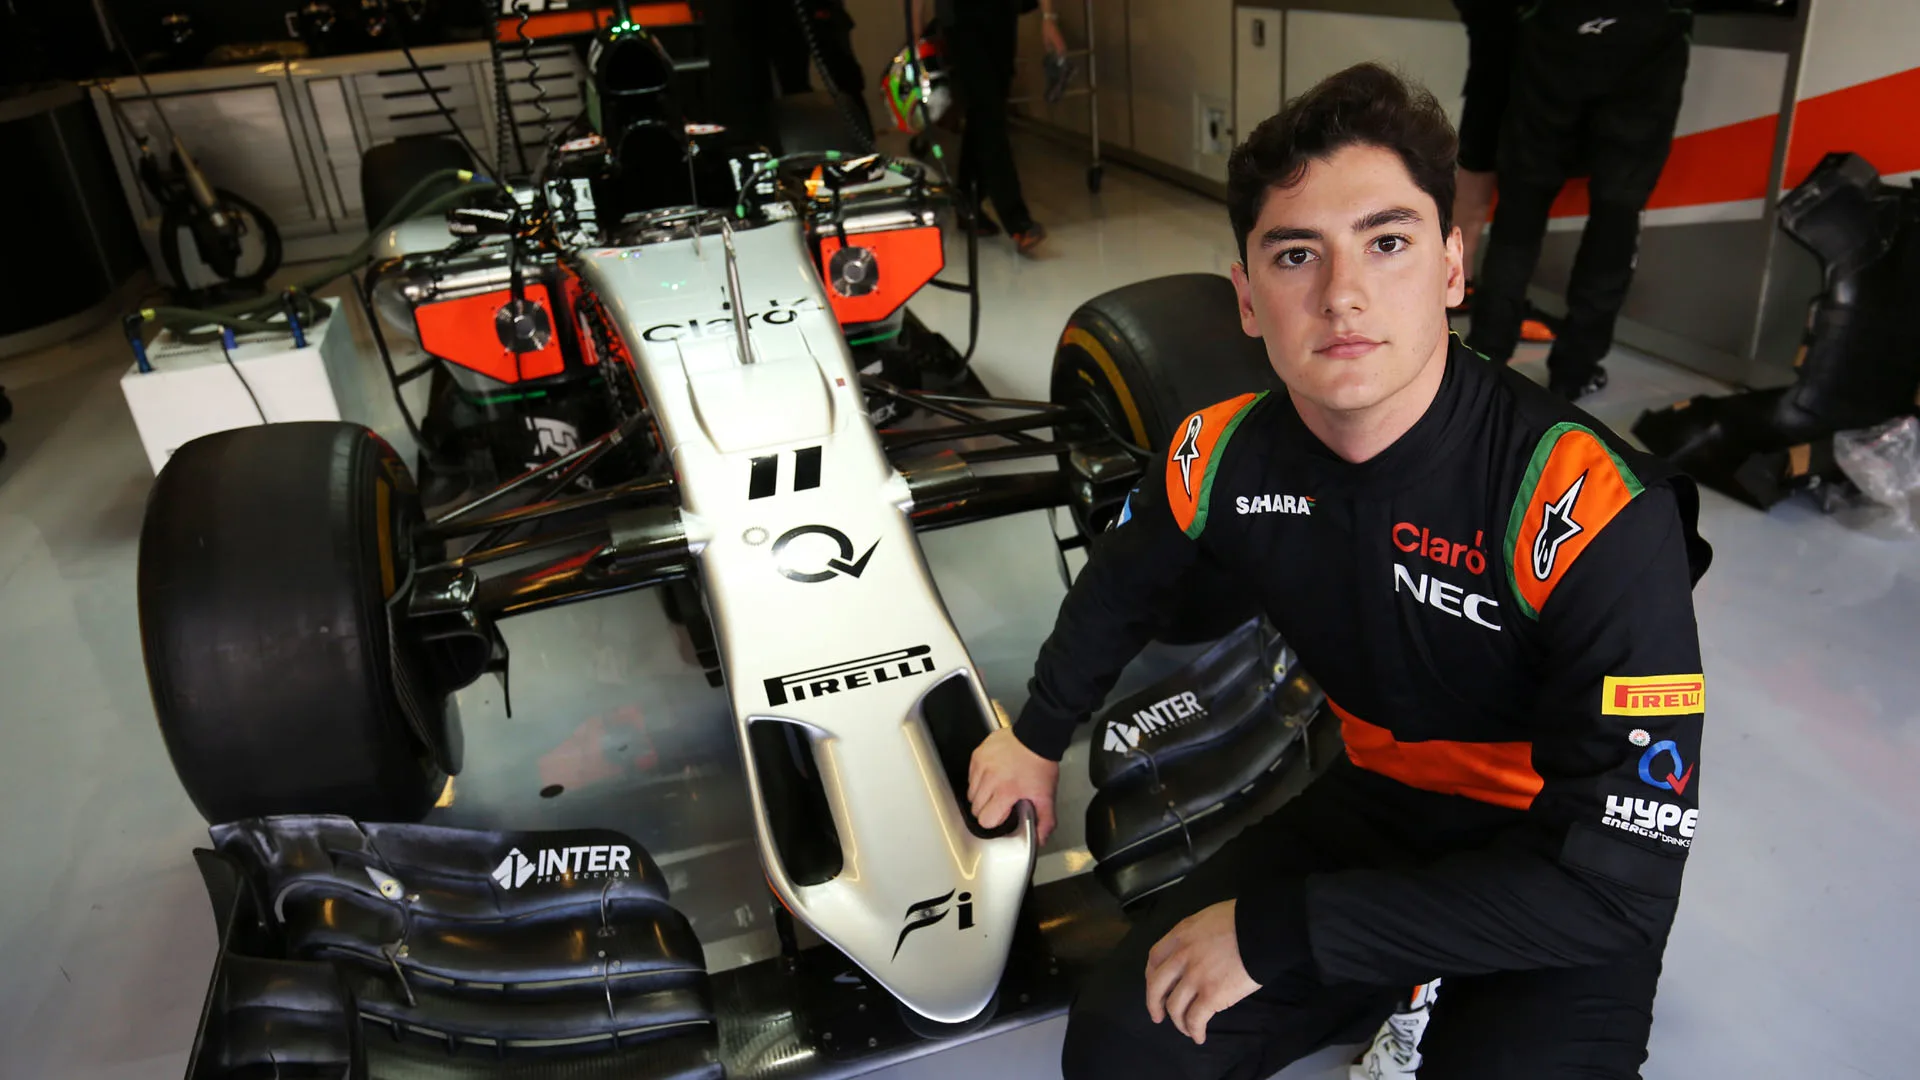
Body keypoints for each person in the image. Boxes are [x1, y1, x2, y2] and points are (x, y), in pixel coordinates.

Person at [968, 63, 1711, 1079]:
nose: (1344, 294)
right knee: (1121, 1051)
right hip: (1383, 809)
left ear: (1453, 267)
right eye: (1294, 254)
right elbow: (1122, 586)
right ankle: (1393, 976)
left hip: (1551, 862)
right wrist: (1039, 736)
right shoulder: (1216, 453)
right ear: (1243, 296)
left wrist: (1287, 934)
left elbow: (1619, 888)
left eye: (1388, 241)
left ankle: (1395, 976)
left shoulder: (1586, 506)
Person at [1467, 1, 1693, 400]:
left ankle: (1485, 357)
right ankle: (1575, 370)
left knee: (1521, 206)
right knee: (1617, 214)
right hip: (1649, 33)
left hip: (1557, 28)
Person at [918, 0, 1065, 255]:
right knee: (988, 112)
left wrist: (1048, 17)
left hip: (1001, 14)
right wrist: (917, 30)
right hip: (961, 18)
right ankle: (1017, 221)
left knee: (986, 110)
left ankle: (967, 203)